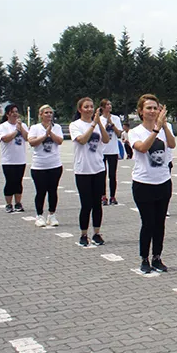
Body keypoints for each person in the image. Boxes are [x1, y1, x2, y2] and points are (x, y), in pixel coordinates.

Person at [128, 94, 176, 274]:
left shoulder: (163, 129)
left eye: (155, 108)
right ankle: (144, 258)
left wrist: (164, 126)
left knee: (159, 222)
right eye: (148, 108)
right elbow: (142, 148)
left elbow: (171, 144)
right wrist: (155, 130)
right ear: (141, 111)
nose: (153, 111)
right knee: (147, 222)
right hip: (143, 183)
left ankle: (157, 256)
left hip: (163, 181)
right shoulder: (135, 132)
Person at [69, 97, 110, 247]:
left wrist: (99, 123)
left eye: (91, 107)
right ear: (80, 109)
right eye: (86, 107)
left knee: (97, 203)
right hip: (83, 170)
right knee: (86, 204)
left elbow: (106, 140)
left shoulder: (98, 124)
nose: (89, 109)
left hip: (98, 168)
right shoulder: (75, 125)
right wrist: (93, 124)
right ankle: (83, 234)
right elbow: (82, 140)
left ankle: (97, 233)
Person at [27, 104, 63, 227]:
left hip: (55, 164)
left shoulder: (56, 127)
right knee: (41, 191)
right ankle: (39, 215)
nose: (49, 115)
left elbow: (59, 141)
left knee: (53, 190)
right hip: (39, 166)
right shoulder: (35, 128)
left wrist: (50, 133)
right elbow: (32, 142)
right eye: (46, 113)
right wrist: (44, 135)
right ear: (41, 115)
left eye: (50, 113)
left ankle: (52, 215)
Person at [0, 104, 29, 213]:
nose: (15, 114)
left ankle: (18, 203)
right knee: (10, 182)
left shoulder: (23, 125)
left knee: (18, 182)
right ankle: (8, 204)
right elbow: (5, 139)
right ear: (8, 114)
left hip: (20, 159)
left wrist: (21, 128)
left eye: (17, 111)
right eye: (13, 112)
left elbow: (27, 138)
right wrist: (16, 131)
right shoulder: (3, 126)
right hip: (8, 160)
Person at [99, 99, 123, 206]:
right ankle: (103, 196)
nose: (109, 106)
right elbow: (99, 134)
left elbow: (119, 134)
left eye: (110, 104)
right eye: (107, 104)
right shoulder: (99, 119)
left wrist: (112, 124)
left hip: (113, 150)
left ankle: (113, 196)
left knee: (112, 175)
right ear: (103, 107)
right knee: (102, 175)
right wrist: (105, 124)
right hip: (102, 151)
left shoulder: (116, 118)